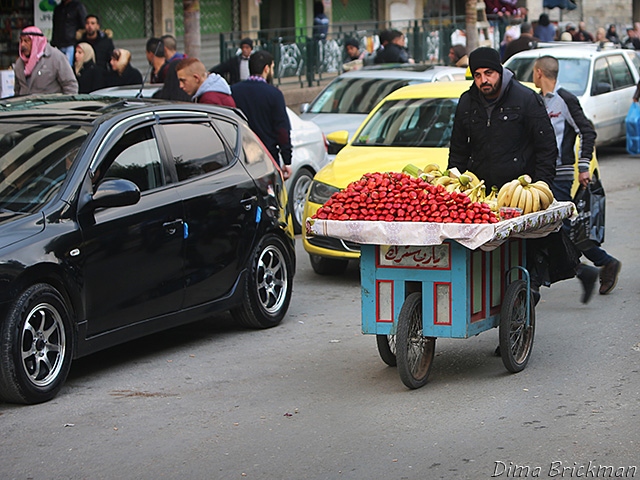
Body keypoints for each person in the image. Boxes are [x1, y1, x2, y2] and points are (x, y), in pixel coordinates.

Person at [448, 47, 559, 304]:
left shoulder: (526, 99)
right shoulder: (467, 102)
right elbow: (458, 151)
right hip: (482, 200)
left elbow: (546, 148)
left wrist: (542, 188)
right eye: (477, 75)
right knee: (485, 261)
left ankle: (522, 310)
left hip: (519, 198)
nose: (484, 80)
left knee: (521, 258)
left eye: (488, 73)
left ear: (499, 71)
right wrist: (456, 189)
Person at [532, 55, 620, 301]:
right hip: (541, 175)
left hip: (561, 176)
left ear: (539, 72)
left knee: (560, 229)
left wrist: (583, 167)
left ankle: (597, 265)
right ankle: (593, 267)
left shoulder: (566, 100)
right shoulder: (538, 101)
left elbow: (587, 131)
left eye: (533, 71)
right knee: (557, 228)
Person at [231, 50, 292, 180]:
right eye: (272, 68)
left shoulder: (234, 91)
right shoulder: (274, 94)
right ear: (266, 68)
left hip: (241, 156)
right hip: (267, 157)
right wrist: (287, 160)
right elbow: (282, 130)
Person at [14, 26, 79, 96]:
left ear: (36, 41)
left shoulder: (56, 57)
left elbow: (70, 85)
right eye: (21, 41)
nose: (23, 45)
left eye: (26, 41)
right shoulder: (19, 63)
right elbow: (17, 90)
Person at [51, 0, 87, 66]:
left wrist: (78, 34)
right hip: (58, 44)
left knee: (67, 68)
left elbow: (84, 25)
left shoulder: (77, 6)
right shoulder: (58, 8)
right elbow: (55, 27)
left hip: (70, 44)